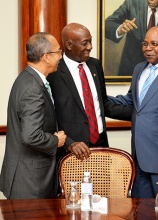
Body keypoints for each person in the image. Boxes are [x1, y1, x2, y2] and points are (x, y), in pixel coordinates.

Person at [108, 26, 158, 198]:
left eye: (154, 44)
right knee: (141, 209)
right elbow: (132, 101)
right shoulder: (139, 69)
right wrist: (99, 97)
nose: (147, 48)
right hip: (138, 154)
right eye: (144, 44)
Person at [47, 23, 132, 161]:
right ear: (69, 45)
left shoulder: (95, 65)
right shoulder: (54, 72)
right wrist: (69, 143)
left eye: (90, 41)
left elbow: (102, 103)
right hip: (72, 150)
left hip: (100, 145)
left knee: (103, 183)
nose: (90, 47)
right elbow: (48, 117)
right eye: (85, 43)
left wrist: (139, 114)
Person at [0, 32, 67, 199]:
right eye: (58, 51)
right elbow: (31, 136)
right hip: (30, 181)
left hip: (26, 176)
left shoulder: (27, 78)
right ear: (46, 57)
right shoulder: (32, 88)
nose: (61, 56)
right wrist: (55, 141)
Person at [105, 0, 158, 76]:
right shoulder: (132, 4)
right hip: (130, 71)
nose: (150, 1)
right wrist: (120, 29)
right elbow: (106, 25)